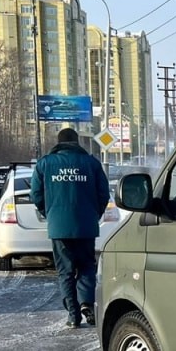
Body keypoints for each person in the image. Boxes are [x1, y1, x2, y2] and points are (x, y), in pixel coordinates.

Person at [31, 128, 111, 328]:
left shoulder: (45, 164)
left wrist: (50, 213)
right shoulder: (92, 164)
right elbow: (104, 194)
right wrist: (94, 214)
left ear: (58, 143)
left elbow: (36, 195)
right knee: (86, 266)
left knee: (65, 270)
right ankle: (87, 304)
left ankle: (73, 316)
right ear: (77, 143)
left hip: (59, 227)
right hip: (86, 225)